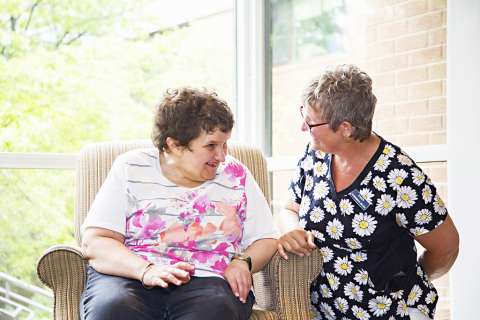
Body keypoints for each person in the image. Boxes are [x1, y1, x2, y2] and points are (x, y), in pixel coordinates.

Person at [276, 64, 459, 320]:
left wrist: (404, 277)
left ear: (346, 128)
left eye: (310, 122)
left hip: (392, 310)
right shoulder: (315, 153)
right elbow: (290, 207)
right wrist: (291, 230)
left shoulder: (399, 175)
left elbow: (446, 247)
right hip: (325, 311)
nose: (303, 128)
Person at [80, 87, 278, 320]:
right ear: (174, 145)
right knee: (113, 307)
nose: (223, 156)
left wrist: (242, 262)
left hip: (210, 281)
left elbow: (266, 237)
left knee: (214, 311)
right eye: (211, 145)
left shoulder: (235, 174)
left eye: (225, 144)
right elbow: (96, 241)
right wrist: (146, 271)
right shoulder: (130, 168)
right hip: (131, 276)